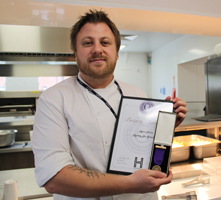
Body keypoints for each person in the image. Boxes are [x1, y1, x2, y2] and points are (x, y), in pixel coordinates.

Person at [32, 9, 188, 200]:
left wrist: (165, 128)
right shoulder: (54, 99)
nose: (97, 49)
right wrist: (130, 184)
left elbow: (143, 151)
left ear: (116, 52)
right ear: (75, 53)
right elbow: (55, 178)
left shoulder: (137, 94)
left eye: (105, 42)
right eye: (88, 43)